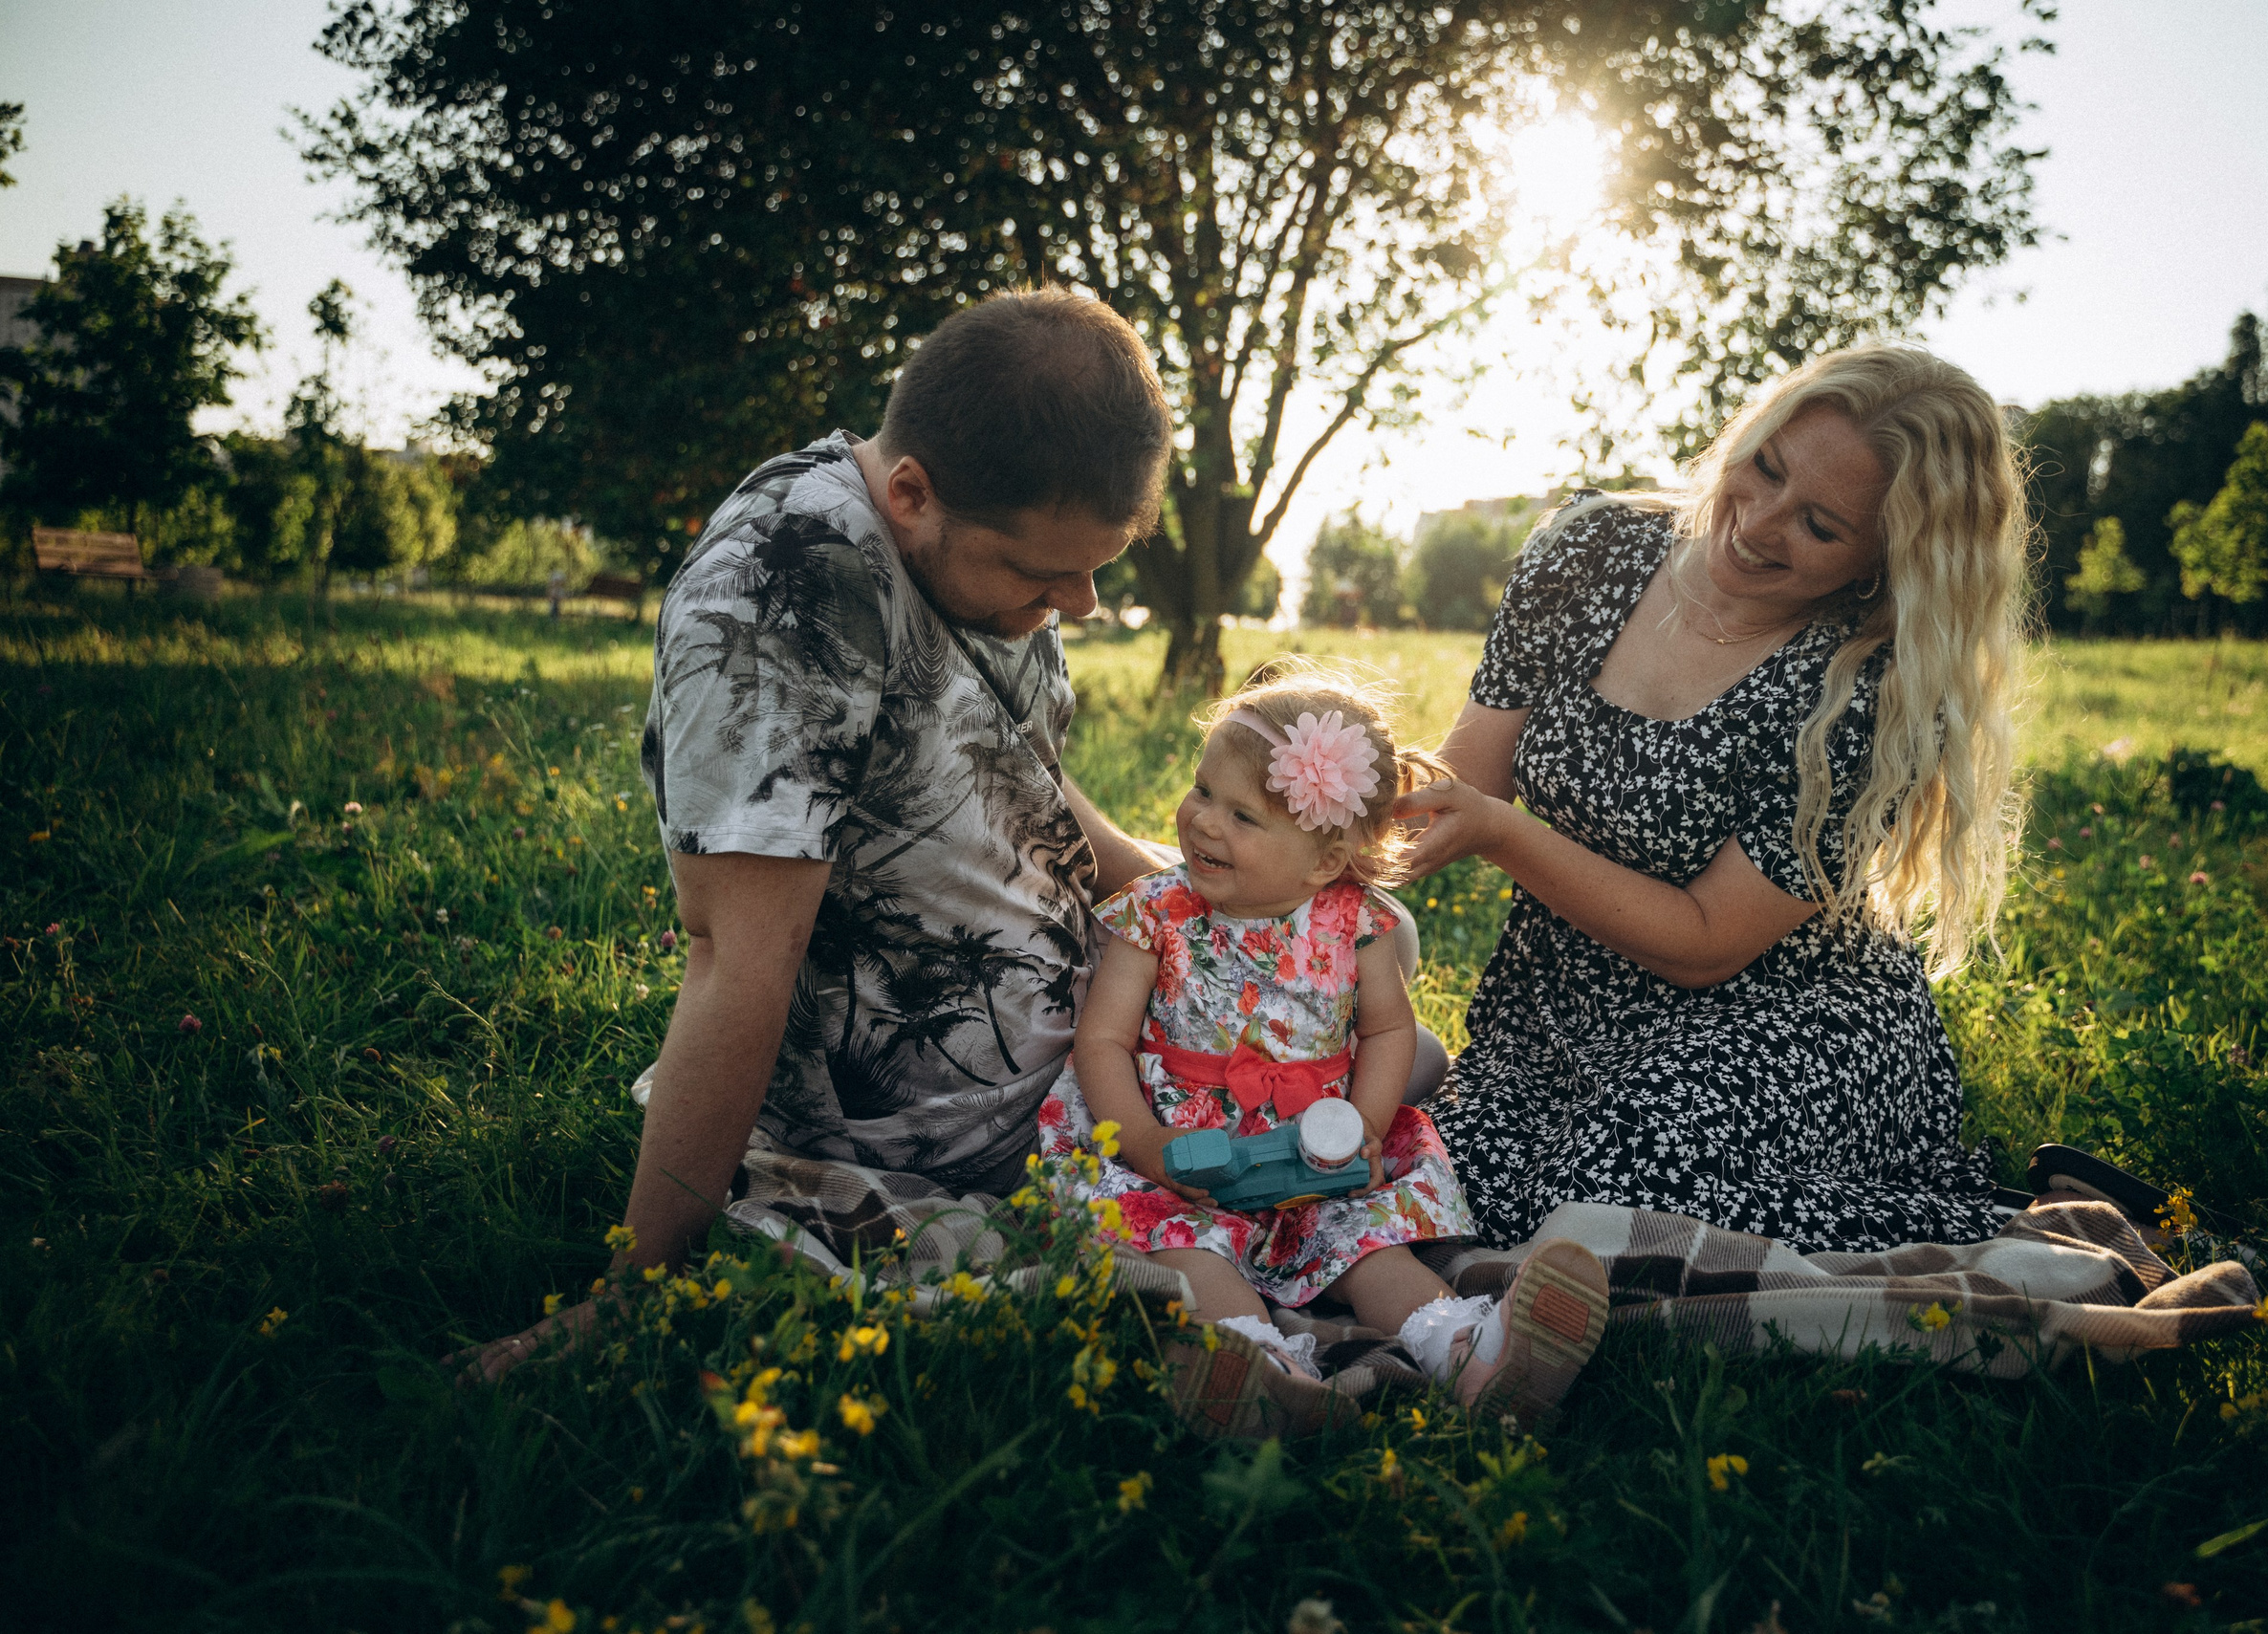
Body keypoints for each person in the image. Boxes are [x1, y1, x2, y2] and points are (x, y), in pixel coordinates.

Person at [461, 289, 1176, 1381]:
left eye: (1095, 567)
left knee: (1368, 971)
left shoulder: (984, 569)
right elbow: (735, 957)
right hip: (932, 1131)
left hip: (1097, 1045)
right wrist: (634, 1292)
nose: (1078, 603)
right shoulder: (784, 591)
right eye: (1044, 574)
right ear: (910, 493)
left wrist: (1190, 892)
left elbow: (1028, 783)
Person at [1392, 343, 2027, 1255]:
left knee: (1607, 1191)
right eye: (1763, 467)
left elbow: (1704, 944)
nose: (1760, 523)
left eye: (1818, 524)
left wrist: (1496, 833)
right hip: (1557, 1013)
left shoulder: (1873, 688)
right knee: (1443, 1187)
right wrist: (1310, 811)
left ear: (1880, 564)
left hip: (1793, 1020)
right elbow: (1468, 778)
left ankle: (2018, 1239)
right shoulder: (1593, 548)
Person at [1036, 668, 1609, 1431]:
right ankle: (1257, 1367)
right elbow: (1102, 1038)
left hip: (1314, 1155)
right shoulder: (1156, 912)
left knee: (1370, 1252)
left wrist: (1365, 1125)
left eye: (1242, 814)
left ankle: (1470, 1352)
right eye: (1202, 790)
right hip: (1186, 1158)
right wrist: (1142, 1140)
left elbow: (1388, 1030)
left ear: (1322, 860)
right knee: (1190, 1252)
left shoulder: (1355, 922)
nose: (1203, 821)